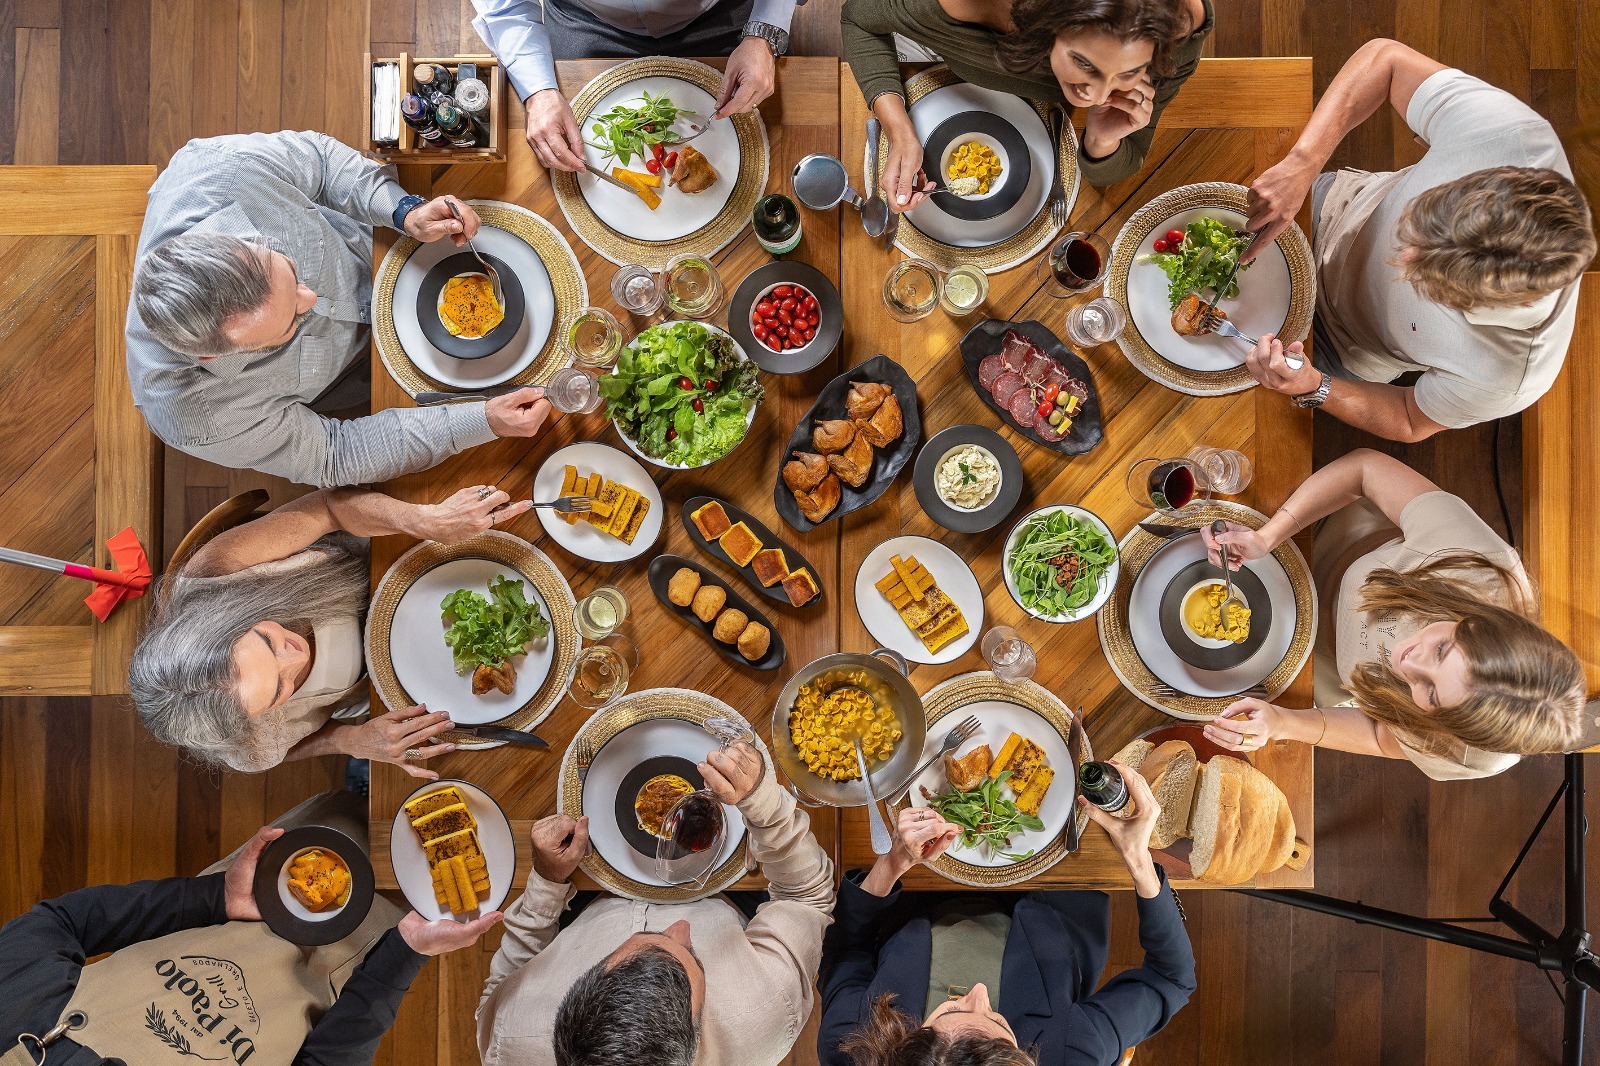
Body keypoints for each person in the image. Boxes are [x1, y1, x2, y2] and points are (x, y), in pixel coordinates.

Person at [128, 131, 553, 488]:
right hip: (350, 374)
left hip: (375, 241)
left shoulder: (221, 171)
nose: (309, 300)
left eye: (291, 273)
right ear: (212, 355)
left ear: (237, 242)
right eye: (289, 322)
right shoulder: (197, 416)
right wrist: (483, 422)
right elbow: (335, 453)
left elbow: (325, 165)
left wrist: (404, 211)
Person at [1238, 40, 1595, 441]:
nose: (1401, 254)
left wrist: (1313, 386)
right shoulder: (1510, 137)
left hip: (1332, 348)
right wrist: (1302, 164)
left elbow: (1408, 418)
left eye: (1430, 280)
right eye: (1420, 220)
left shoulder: (1509, 377)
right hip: (1325, 212)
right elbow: (1385, 61)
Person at [0, 798, 500, 1066]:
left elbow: (57, 924)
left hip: (264, 894)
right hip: (357, 966)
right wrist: (403, 954)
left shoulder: (11, 1019)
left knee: (361, 809)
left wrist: (215, 898)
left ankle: (362, 784)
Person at [1200, 448, 1586, 781]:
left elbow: (1381, 736)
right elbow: (1364, 470)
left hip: (1327, 666)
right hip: (1327, 544)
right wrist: (1270, 535)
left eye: (1430, 693)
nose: (1407, 662)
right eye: (1441, 650)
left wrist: (1283, 723)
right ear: (1479, 621)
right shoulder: (1481, 567)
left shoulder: (1475, 754)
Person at [128, 483, 532, 775]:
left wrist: (423, 519)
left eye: (267, 641)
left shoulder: (214, 577)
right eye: (279, 690)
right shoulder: (246, 743)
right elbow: (278, 752)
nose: (294, 659)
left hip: (391, 554)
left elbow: (329, 509)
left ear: (225, 619)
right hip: (384, 683)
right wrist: (347, 742)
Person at [476, 740, 836, 1066]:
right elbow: (806, 895)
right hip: (731, 891)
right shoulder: (766, 1014)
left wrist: (547, 881)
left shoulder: (511, 1043)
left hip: (582, 898)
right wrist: (762, 803)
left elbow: (510, 977)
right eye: (692, 954)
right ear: (694, 1035)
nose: (680, 927)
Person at [818, 766, 1195, 1065]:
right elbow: (1172, 978)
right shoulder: (1072, 1053)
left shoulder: (851, 1045)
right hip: (1059, 880)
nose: (979, 994)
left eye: (952, 1008)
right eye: (999, 1023)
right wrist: (1139, 860)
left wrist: (893, 862)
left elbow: (846, 952)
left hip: (919, 884)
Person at [841, 0, 1212, 206]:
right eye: (1084, 64)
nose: (1097, 98)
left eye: (1130, 72)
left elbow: (1116, 169)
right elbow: (857, 19)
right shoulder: (961, 6)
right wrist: (898, 127)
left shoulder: (1179, 29)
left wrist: (1101, 139)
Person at [470, 0, 798, 172]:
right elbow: (505, 7)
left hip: (719, 14)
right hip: (586, 22)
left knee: (772, 130)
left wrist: (765, 32)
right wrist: (538, 92)